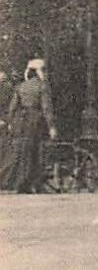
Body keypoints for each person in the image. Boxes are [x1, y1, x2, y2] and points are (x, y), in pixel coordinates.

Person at [2, 59, 58, 194]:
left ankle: (21, 183)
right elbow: (46, 108)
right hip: (36, 121)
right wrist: (51, 127)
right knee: (36, 152)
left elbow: (12, 108)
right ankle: (34, 183)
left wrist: (10, 123)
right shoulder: (42, 86)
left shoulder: (21, 87)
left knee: (22, 152)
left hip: (21, 122)